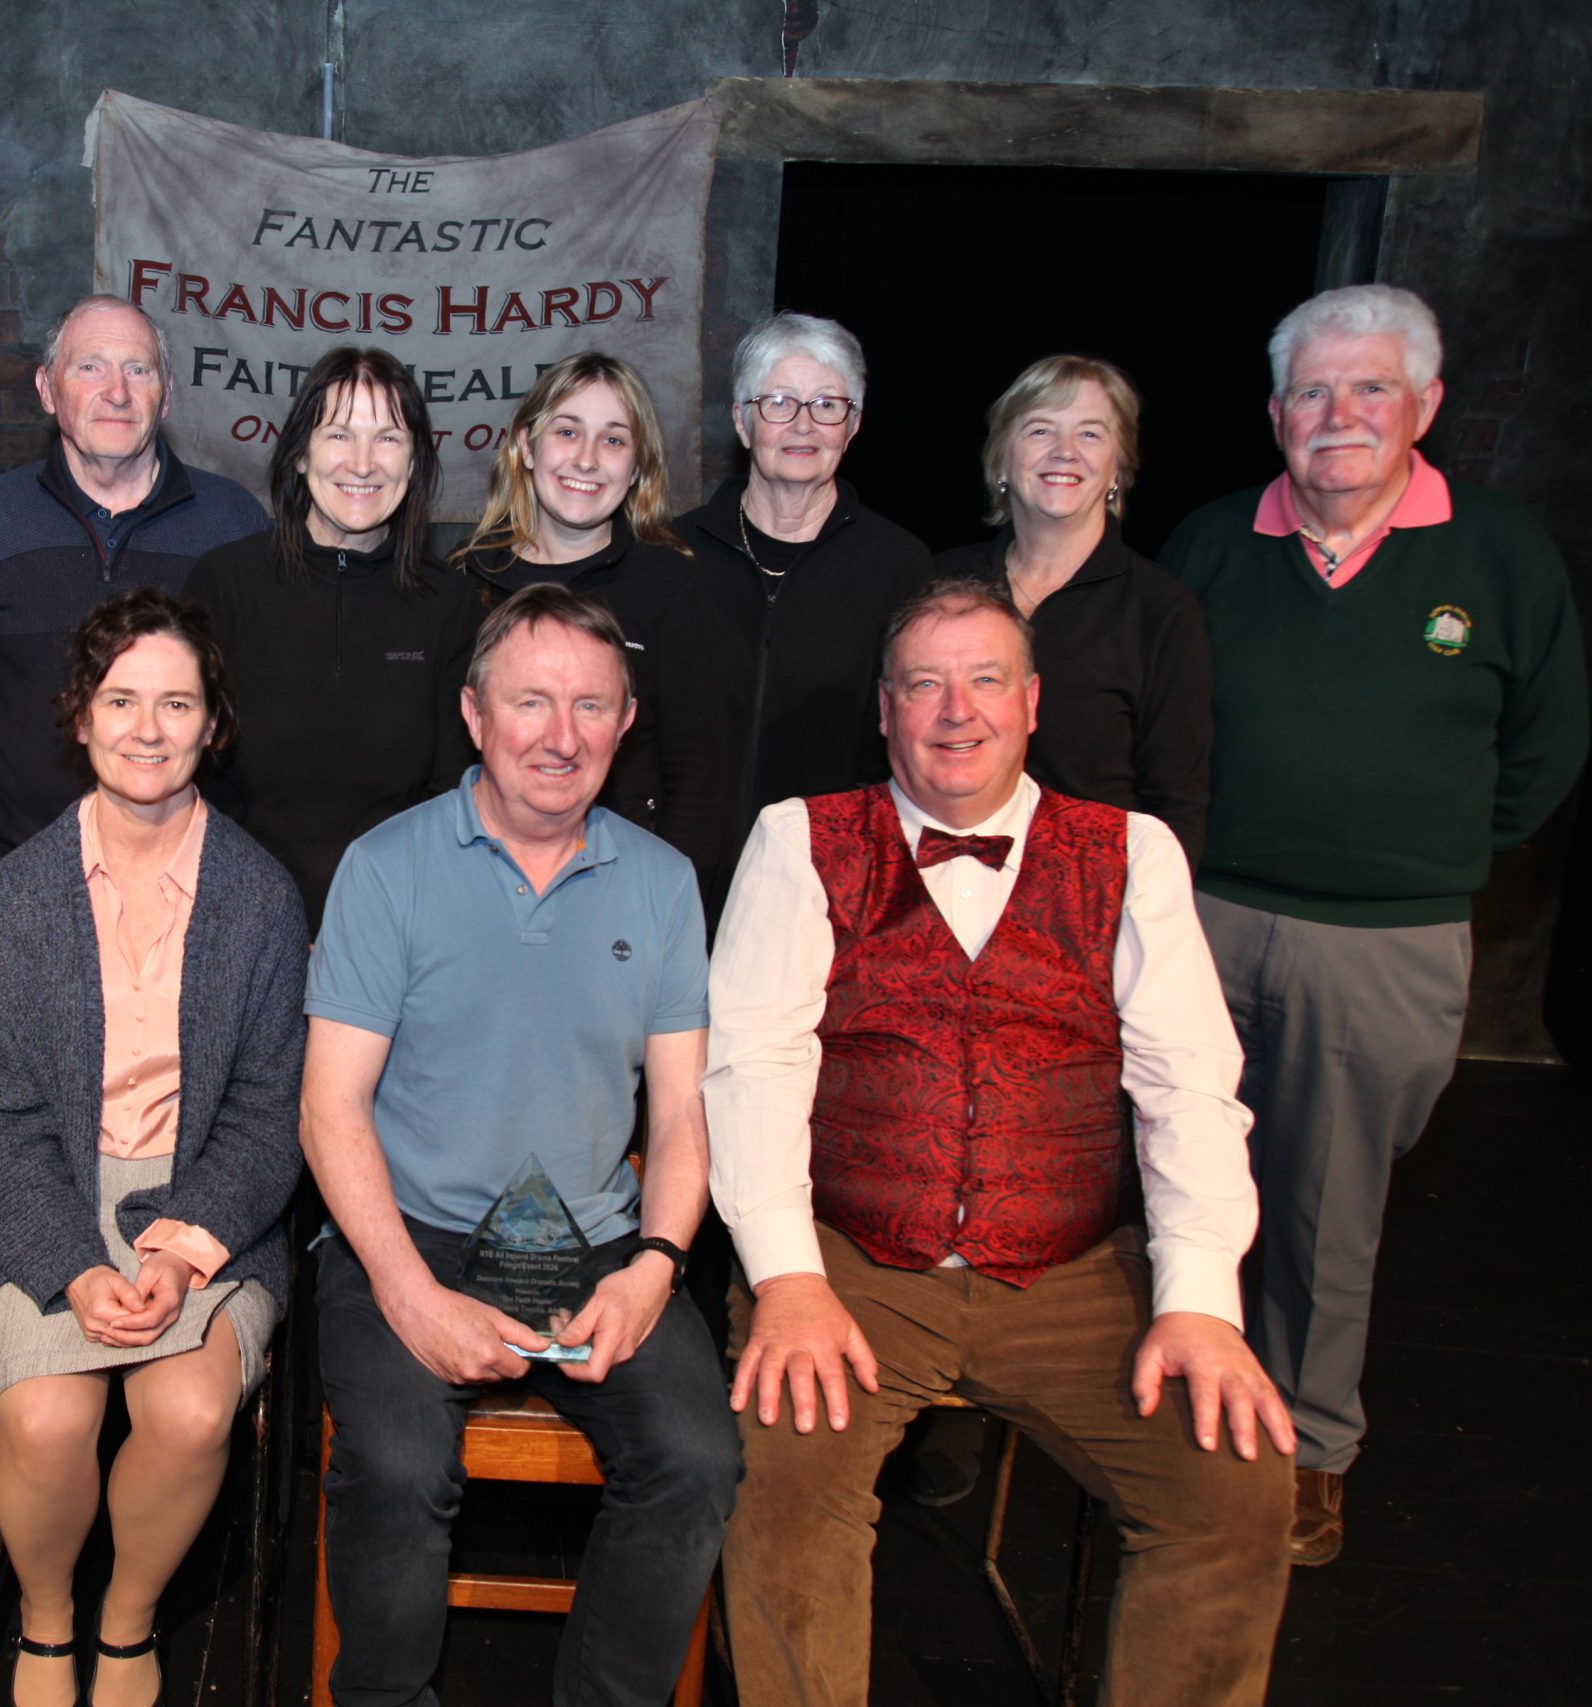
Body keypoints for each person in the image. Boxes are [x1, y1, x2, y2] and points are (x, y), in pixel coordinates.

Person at [706, 577, 1296, 1707]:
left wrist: (1200, 1306)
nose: (953, 710)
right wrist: (784, 1280)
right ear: (884, 709)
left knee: (1233, 1481)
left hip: (1074, 1273)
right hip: (855, 1264)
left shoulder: (1135, 852)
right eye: (923, 683)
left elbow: (1189, 1089)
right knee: (780, 1475)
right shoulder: (800, 839)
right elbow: (752, 1069)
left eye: (983, 680)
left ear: (1032, 703)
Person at [1161, 284, 1587, 1565]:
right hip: (1208, 920)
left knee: (1322, 1211)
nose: (1338, 414)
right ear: (1275, 411)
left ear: (1425, 406)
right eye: (1312, 391)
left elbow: (1548, 745)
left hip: (1387, 941)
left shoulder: (1499, 555)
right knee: (1173, 1174)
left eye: (1370, 389)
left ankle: (1311, 1446)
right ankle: (1176, 1414)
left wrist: (1428, 855)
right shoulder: (1214, 541)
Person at [302, 583, 737, 1707]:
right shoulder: (385, 866)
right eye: (531, 702)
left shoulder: (663, 879)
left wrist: (656, 1268)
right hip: (404, 1233)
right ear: (473, 714)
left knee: (696, 1461)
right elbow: (329, 1108)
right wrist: (406, 1293)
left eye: (591, 706)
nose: (561, 735)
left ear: (625, 722)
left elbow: (683, 1114)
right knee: (398, 1466)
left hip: (595, 1241)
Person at [0, 586, 306, 1707]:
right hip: (45, 1197)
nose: (148, 728)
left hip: (209, 1204)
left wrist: (183, 1250)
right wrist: (77, 1264)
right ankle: (46, 1622)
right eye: (122, 699)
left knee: (190, 1410)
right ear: (81, 717)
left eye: (177, 703)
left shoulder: (261, 897)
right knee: (47, 1416)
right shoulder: (16, 897)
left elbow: (268, 1106)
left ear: (213, 724)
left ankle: (128, 1617)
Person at [0, 295, 267, 869]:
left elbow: (262, 709)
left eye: (138, 370)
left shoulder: (234, 524)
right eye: (90, 366)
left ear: (166, 394)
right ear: (47, 389)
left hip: (193, 871)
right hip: (21, 873)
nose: (116, 392)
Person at [183, 348, 480, 930]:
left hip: (395, 929)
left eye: (389, 438)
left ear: (415, 460)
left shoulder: (451, 604)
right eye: (339, 435)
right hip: (237, 924)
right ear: (299, 454)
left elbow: (454, 799)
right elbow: (187, 777)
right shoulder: (222, 585)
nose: (363, 463)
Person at [672, 312, 932, 925]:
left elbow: (911, 743)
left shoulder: (899, 567)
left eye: (826, 404)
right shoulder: (671, 556)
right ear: (742, 420)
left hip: (830, 893)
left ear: (854, 425)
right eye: (780, 401)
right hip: (677, 886)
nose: (803, 424)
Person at [935, 355, 1214, 864]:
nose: (1064, 452)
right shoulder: (939, 587)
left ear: (1118, 468)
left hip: (1087, 906)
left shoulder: (1160, 610)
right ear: (1002, 459)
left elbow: (1177, 804)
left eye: (1090, 435)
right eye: (1040, 430)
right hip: (939, 887)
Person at [453, 352, 699, 846]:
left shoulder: (676, 585)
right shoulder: (463, 583)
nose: (586, 459)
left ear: (636, 468)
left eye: (613, 440)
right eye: (567, 432)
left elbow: (698, 776)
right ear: (526, 446)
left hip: (627, 874)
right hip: (483, 866)